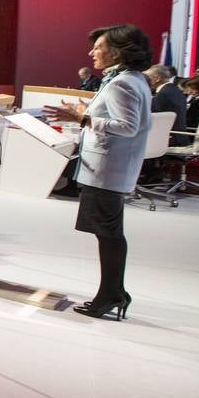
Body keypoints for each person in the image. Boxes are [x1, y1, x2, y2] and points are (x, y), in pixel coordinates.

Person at [45, 24, 153, 321]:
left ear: (117, 51)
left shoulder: (122, 83)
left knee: (108, 234)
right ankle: (114, 292)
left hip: (108, 170)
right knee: (108, 232)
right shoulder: (129, 79)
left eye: (98, 47)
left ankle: (111, 295)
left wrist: (84, 117)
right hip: (109, 168)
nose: (92, 52)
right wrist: (86, 111)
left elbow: (127, 127)